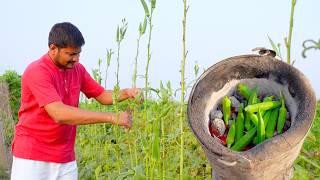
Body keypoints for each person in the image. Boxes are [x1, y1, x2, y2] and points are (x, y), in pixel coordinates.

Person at [10, 22, 141, 180]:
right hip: (33, 157)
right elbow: (59, 113)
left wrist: (127, 92)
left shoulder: (77, 70)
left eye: (78, 54)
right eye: (71, 54)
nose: (76, 59)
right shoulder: (37, 71)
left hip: (65, 157)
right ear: (53, 48)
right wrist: (112, 118)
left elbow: (102, 95)